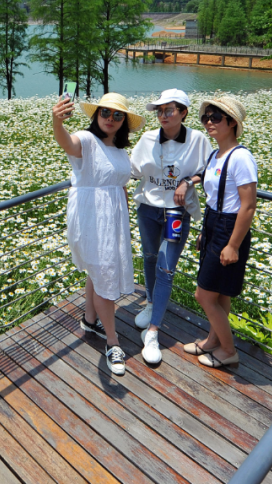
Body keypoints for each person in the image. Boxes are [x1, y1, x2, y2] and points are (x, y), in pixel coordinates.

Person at [52, 92, 144, 376]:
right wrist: (57, 122)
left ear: (124, 122)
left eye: (118, 116)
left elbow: (118, 183)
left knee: (99, 269)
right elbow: (66, 142)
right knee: (104, 273)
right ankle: (113, 343)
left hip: (113, 219)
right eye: (105, 113)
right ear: (96, 116)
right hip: (92, 217)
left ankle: (90, 319)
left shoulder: (118, 150)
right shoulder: (87, 140)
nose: (111, 119)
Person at [129, 89, 212, 365]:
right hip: (148, 210)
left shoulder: (198, 140)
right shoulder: (147, 138)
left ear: (184, 112)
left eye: (169, 110)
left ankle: (153, 332)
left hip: (177, 213)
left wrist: (189, 182)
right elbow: (132, 170)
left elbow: (209, 171)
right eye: (159, 111)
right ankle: (151, 303)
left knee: (166, 267)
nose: (162, 116)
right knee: (150, 258)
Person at [188, 94, 257, 369]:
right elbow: (214, 193)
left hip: (230, 228)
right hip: (214, 223)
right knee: (220, 294)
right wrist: (206, 231)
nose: (208, 122)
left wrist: (233, 245)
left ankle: (228, 350)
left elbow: (248, 206)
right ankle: (212, 340)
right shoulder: (215, 155)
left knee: (203, 295)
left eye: (216, 117)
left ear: (232, 123)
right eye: (206, 117)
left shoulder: (241, 157)